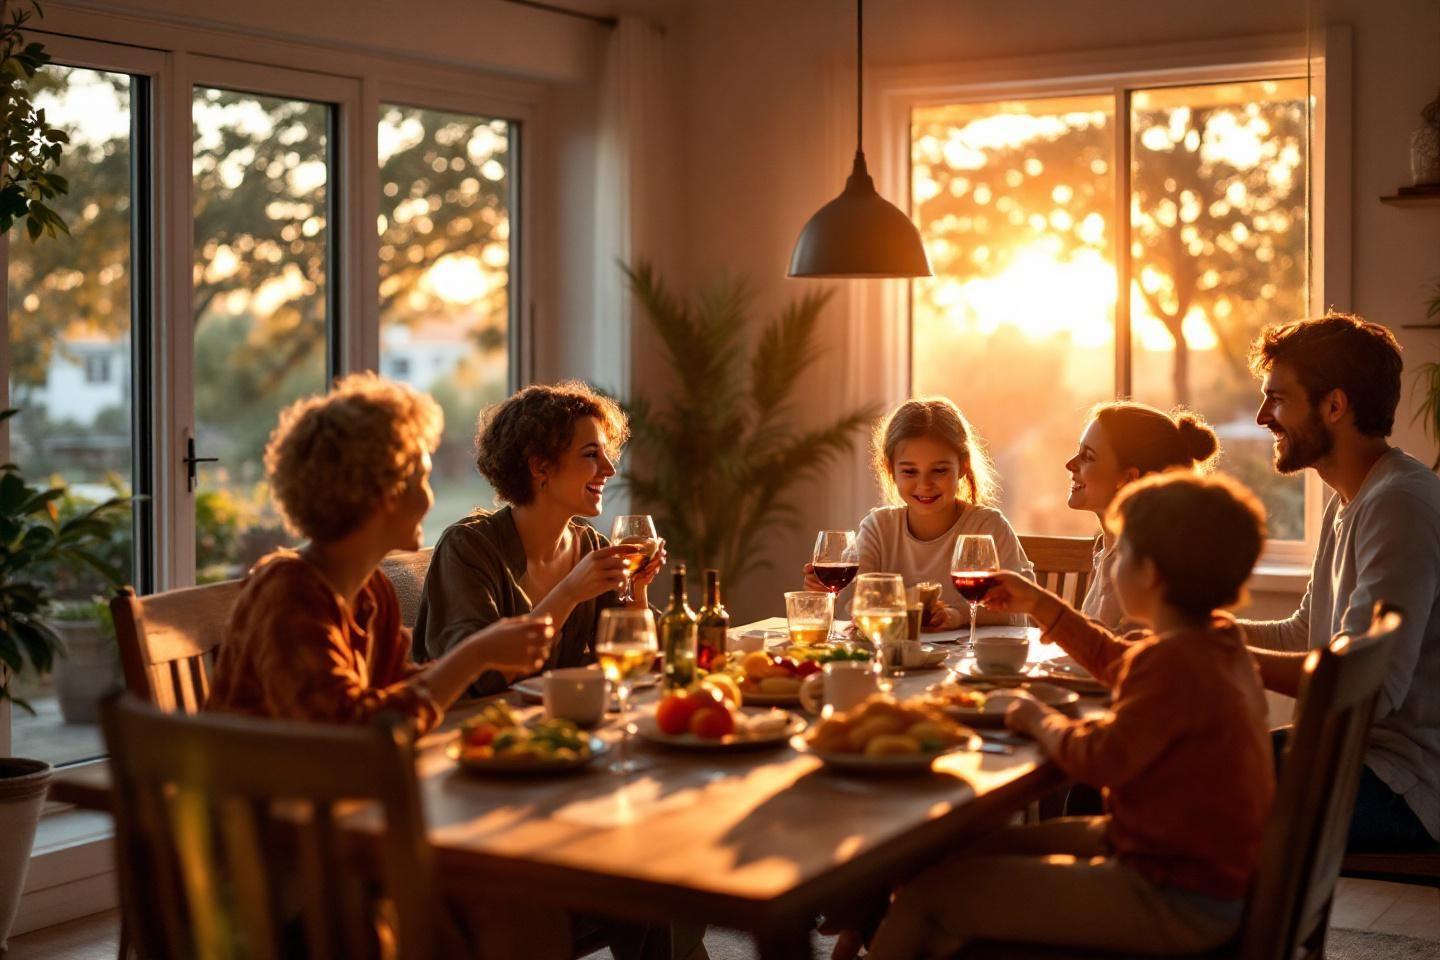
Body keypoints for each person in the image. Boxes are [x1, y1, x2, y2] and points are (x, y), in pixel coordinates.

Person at [848, 472, 1274, 959]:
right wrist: (1038, 603)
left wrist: (1034, 718)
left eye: (1122, 555)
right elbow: (1116, 659)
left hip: (1169, 895)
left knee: (929, 895)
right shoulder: (1215, 641)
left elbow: (1099, 759)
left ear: (1150, 573)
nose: (1113, 567)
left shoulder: (1176, 663)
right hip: (1178, 862)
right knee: (958, 860)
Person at [207, 372, 555, 734]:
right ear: (382, 492)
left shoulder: (371, 591)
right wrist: (474, 655)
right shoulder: (287, 593)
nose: (429, 498)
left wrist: (481, 658)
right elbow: (353, 732)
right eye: (421, 478)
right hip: (263, 787)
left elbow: (393, 688)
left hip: (331, 784)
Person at [1241, 313, 1440, 852]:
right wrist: (1196, 632)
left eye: (1278, 400)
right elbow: (1307, 632)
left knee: (1154, 790)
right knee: (1150, 771)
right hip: (1345, 757)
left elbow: (1366, 689)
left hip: (1403, 783)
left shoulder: (1399, 502)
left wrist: (1213, 654)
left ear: (1335, 405)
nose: (1263, 417)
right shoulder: (1351, 498)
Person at [412, 381, 665, 696]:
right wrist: (570, 592)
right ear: (539, 466)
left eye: (606, 454)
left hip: (558, 727)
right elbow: (479, 677)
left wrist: (637, 587)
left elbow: (634, 655)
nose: (609, 470)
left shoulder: (591, 545)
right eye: (591, 454)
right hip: (471, 733)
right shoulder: (467, 548)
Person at [803, 397, 1033, 627]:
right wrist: (823, 590)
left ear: (962, 466)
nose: (925, 484)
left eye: (939, 470)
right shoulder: (879, 528)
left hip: (974, 662)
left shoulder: (988, 527)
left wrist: (956, 616)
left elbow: (1019, 609)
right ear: (890, 470)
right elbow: (857, 603)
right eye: (910, 472)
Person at [1065, 402, 1220, 629]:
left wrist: (1041, 605)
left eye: (1088, 456)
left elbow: (1111, 654)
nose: (1070, 465)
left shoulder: (1140, 569)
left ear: (1127, 479)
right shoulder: (1107, 547)